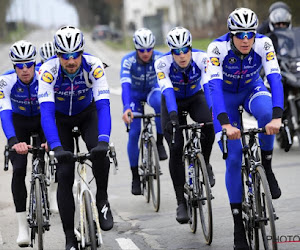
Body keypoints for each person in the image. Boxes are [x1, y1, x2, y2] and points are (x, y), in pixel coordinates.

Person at [207, 8, 283, 249]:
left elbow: (275, 78)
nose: (245, 39)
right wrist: (225, 123)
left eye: (249, 34)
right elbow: (215, 89)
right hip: (224, 98)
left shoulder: (264, 43)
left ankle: (267, 167)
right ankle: (238, 225)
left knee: (265, 112)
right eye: (239, 34)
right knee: (234, 157)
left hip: (252, 88)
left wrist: (277, 117)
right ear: (231, 35)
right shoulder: (217, 49)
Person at [38, 26, 113, 250]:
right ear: (57, 55)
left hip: (87, 113)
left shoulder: (94, 66)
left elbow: (103, 106)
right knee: (64, 173)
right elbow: (47, 113)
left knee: (100, 152)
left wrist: (103, 139)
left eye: (75, 55)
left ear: (81, 52)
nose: (71, 61)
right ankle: (70, 237)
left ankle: (102, 198)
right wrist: (56, 147)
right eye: (64, 56)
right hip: (60, 118)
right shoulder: (47, 71)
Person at [154, 27, 215, 224]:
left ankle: (204, 162)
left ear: (191, 48)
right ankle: (181, 202)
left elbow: (207, 85)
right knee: (176, 146)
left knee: (209, 125)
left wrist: (215, 111)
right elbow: (168, 91)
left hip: (195, 97)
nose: (181, 56)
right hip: (173, 102)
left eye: (185, 50)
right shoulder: (162, 63)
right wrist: (173, 117)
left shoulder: (202, 58)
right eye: (176, 51)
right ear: (171, 52)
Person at [0, 40, 45, 247]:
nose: (25, 69)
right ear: (14, 66)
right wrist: (13, 141)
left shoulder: (44, 77)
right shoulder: (5, 81)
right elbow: (5, 113)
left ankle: (50, 193)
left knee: (55, 156)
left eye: (29, 65)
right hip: (19, 124)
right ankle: (21, 226)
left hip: (43, 119)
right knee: (19, 170)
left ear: (35, 65)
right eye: (20, 65)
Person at [121, 28, 168, 195]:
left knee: (159, 102)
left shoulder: (160, 57)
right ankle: (135, 177)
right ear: (136, 49)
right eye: (142, 50)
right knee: (134, 133)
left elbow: (166, 83)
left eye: (149, 49)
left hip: (151, 91)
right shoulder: (128, 61)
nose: (146, 53)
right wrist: (127, 107)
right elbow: (125, 86)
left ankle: (160, 142)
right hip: (134, 95)